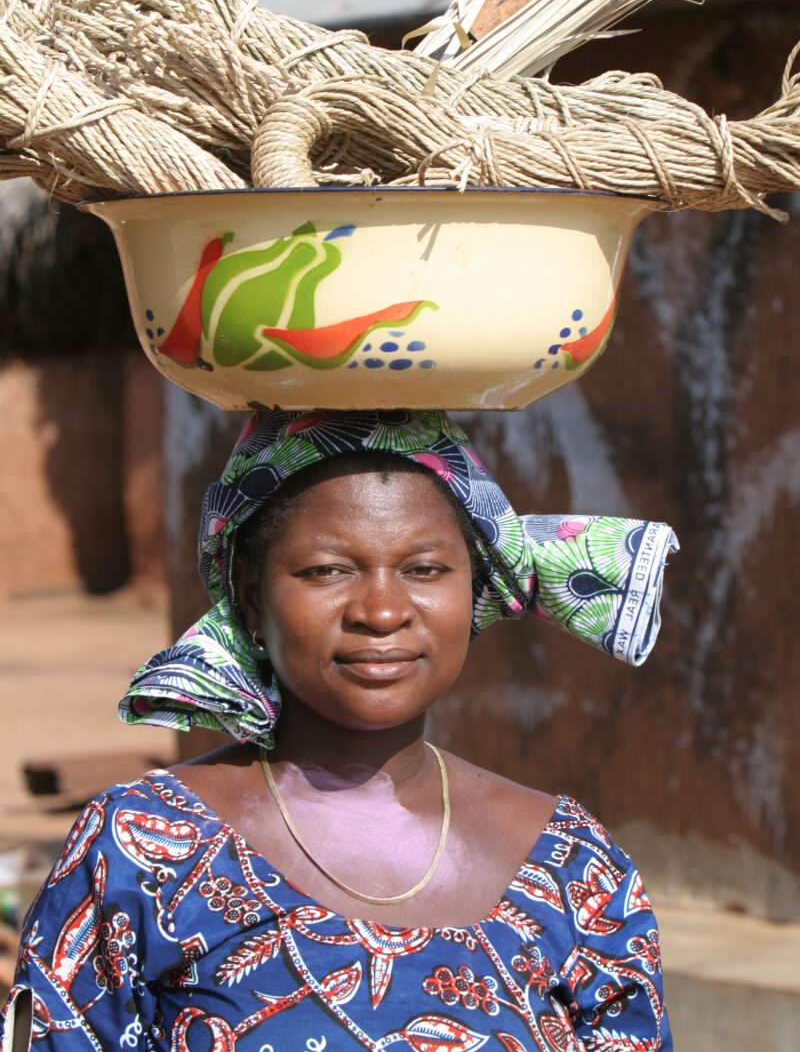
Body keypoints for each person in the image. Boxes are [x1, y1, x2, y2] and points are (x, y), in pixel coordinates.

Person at [2, 409, 677, 1051]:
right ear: (250, 596)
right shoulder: (142, 850)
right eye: (327, 570)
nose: (381, 612)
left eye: (424, 569)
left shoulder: (573, 868)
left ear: (474, 587)